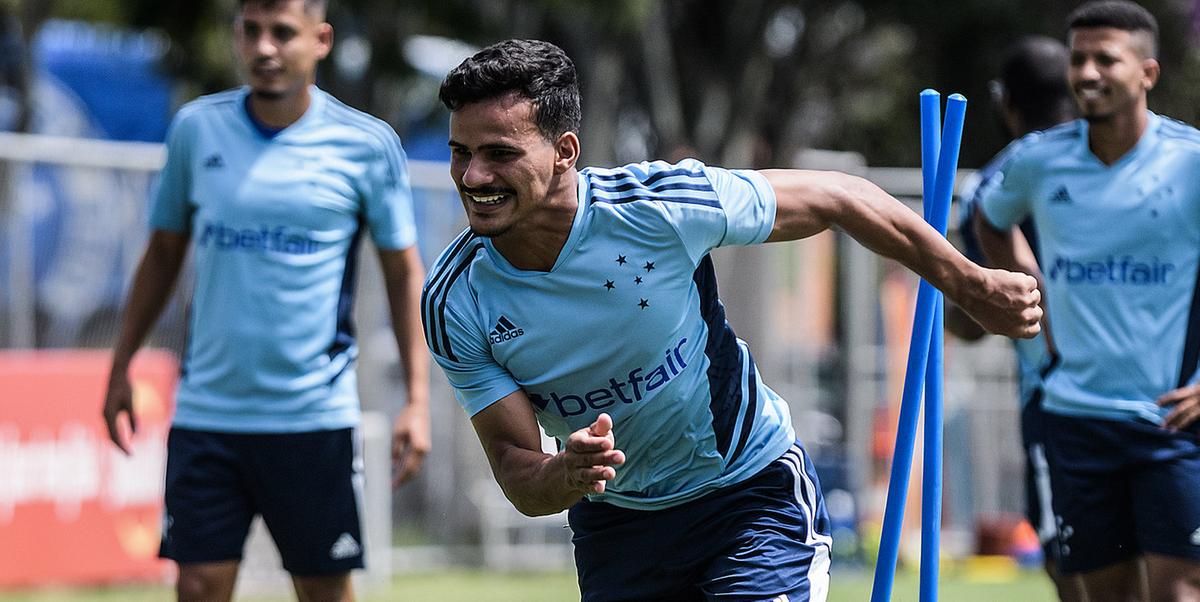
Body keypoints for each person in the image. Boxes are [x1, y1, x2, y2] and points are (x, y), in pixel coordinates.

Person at [424, 39, 1041, 601]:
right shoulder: (456, 300)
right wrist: (564, 472)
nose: (473, 177)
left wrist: (971, 282)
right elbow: (516, 469)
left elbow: (841, 197)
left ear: (564, 153)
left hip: (748, 493)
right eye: (461, 153)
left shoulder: (659, 208)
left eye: (498, 154)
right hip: (618, 524)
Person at [100, 1, 430, 600]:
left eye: (283, 33)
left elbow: (404, 272)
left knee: (323, 590)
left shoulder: (366, 144)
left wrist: (416, 398)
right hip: (208, 413)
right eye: (251, 32)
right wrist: (121, 363)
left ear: (321, 39)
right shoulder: (197, 129)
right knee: (198, 584)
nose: (265, 49)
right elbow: (162, 254)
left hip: (312, 416)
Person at [974, 2, 1200, 600]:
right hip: (1074, 418)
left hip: (1172, 422)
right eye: (1078, 59)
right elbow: (986, 216)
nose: (1088, 73)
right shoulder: (1038, 160)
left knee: (1179, 592)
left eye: (1107, 59)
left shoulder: (1192, 162)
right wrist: (1020, 274)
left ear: (1147, 72)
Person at [950, 36, 1084, 601]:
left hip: (1054, 400)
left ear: (1007, 102)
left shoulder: (994, 186)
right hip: (1155, 391)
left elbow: (974, 319)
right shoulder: (1115, 159)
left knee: (1076, 571)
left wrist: (952, 293)